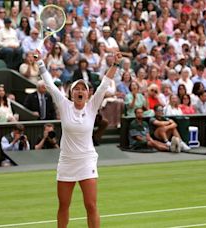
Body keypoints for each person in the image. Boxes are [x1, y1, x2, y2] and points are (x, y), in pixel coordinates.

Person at [36, 51, 123, 228]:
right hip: (67, 161)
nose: (80, 91)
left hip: (86, 161)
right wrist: (40, 63)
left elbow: (105, 84)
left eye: (83, 88)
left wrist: (115, 64)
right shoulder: (64, 104)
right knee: (63, 205)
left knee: (91, 205)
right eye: (77, 88)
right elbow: (50, 84)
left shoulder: (92, 106)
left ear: (88, 93)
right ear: (71, 93)